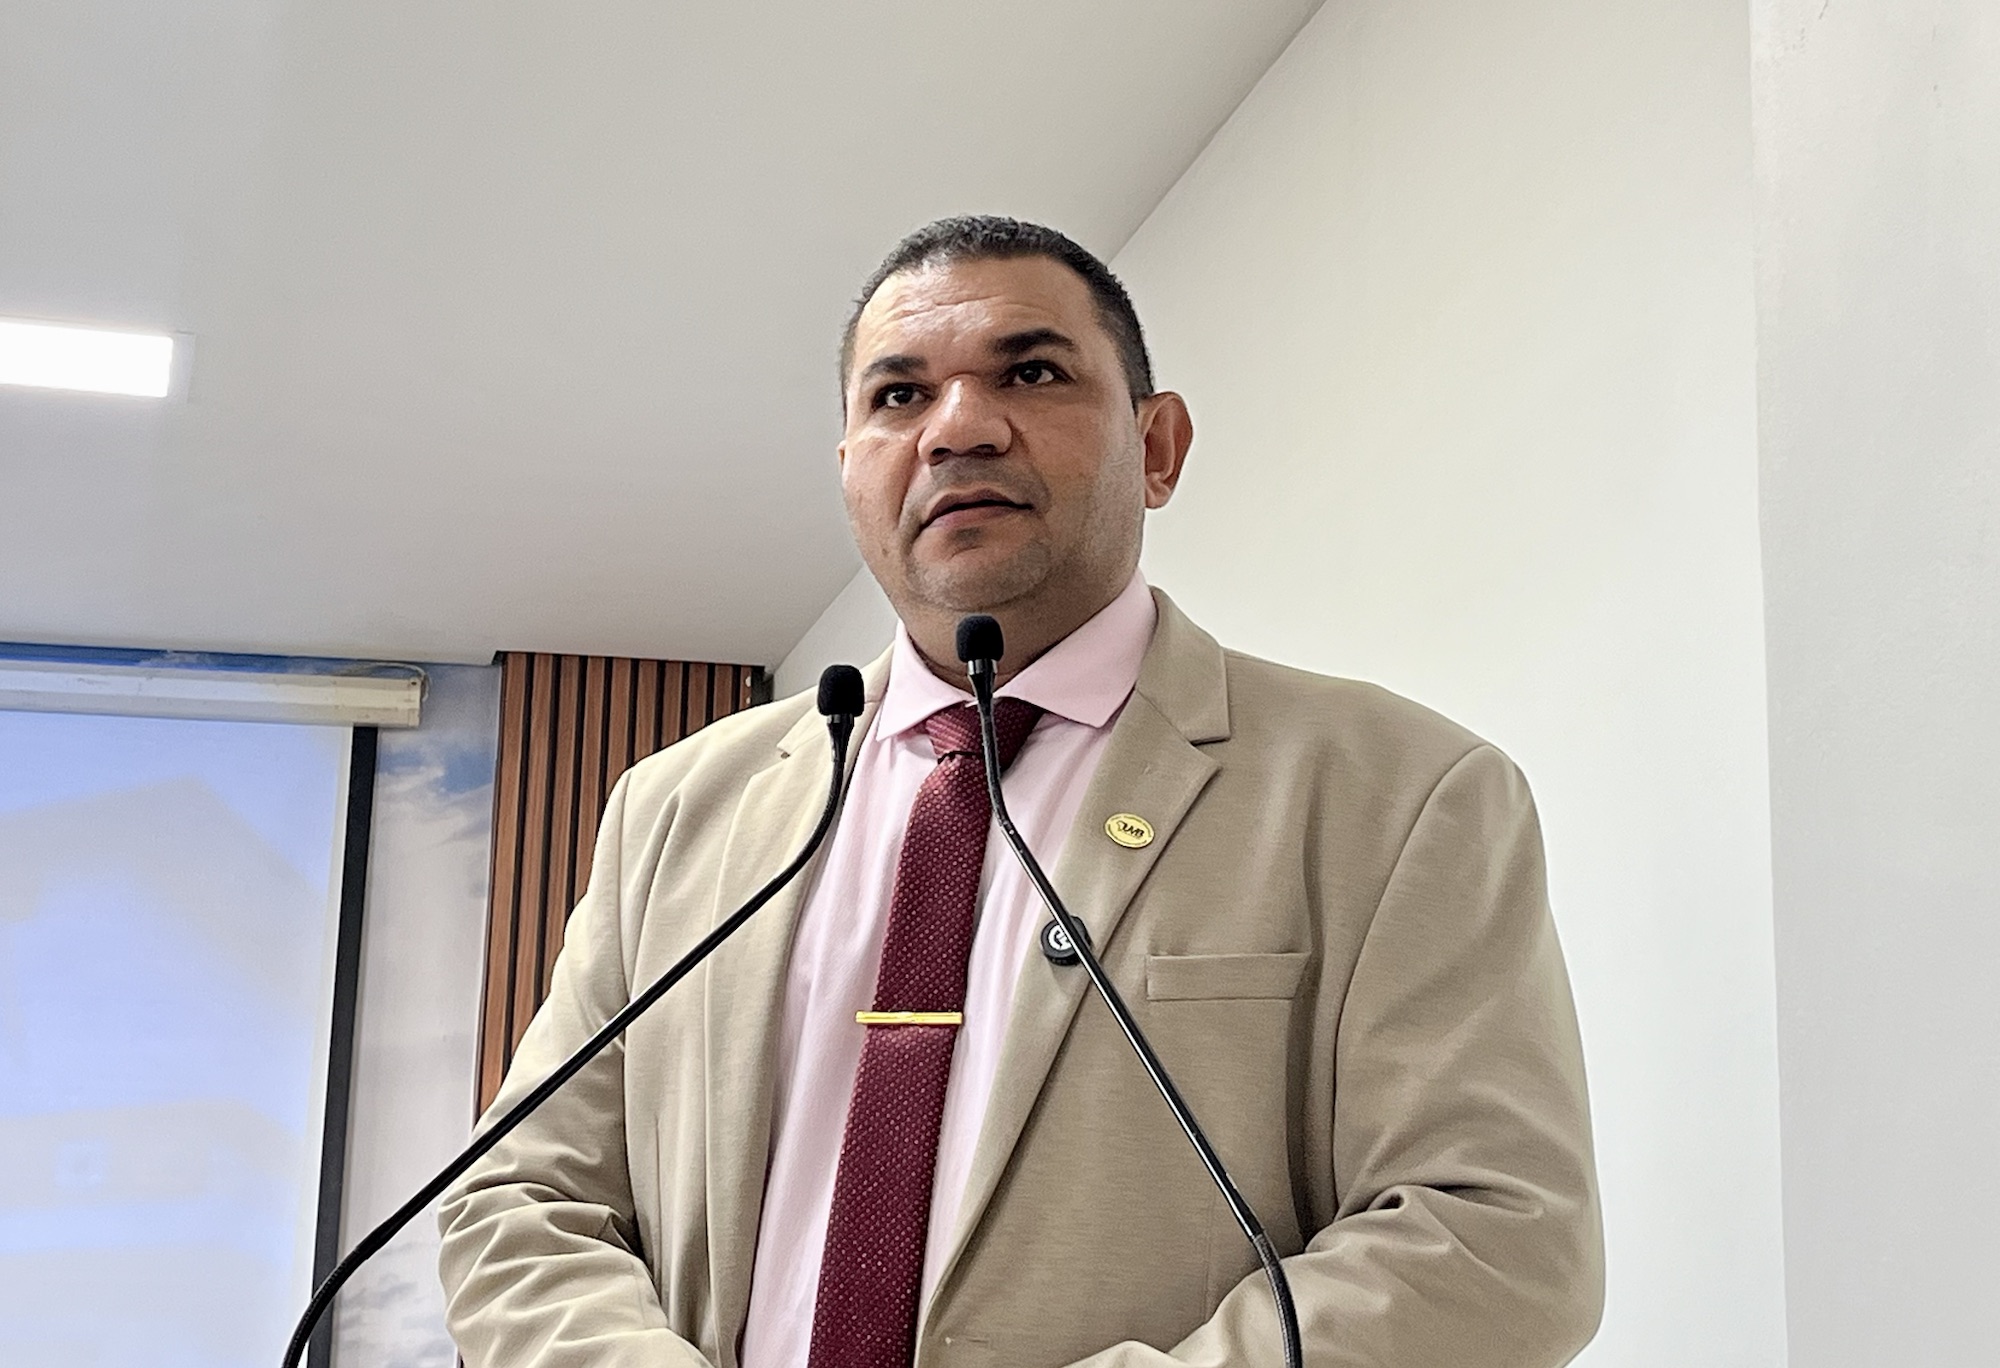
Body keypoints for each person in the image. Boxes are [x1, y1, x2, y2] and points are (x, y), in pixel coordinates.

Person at [439, 216, 1604, 1368]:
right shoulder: (674, 810)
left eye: (1030, 373)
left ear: (1157, 447)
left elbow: (1495, 1238)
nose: (956, 429)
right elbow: (519, 1201)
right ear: (850, 473)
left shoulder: (1396, 792)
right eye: (898, 396)